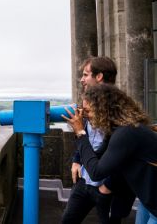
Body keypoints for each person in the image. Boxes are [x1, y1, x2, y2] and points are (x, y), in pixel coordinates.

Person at [64, 84, 157, 223]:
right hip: (148, 201)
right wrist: (78, 149)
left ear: (104, 110)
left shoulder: (126, 133)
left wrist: (80, 133)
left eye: (88, 111)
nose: (85, 117)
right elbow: (95, 157)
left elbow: (96, 173)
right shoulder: (120, 130)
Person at [62, 56, 134, 224]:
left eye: (86, 74)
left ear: (99, 76)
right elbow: (84, 133)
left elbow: (125, 154)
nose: (82, 79)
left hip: (108, 187)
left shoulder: (119, 108)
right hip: (85, 179)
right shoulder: (89, 99)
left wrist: (107, 186)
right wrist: (77, 160)